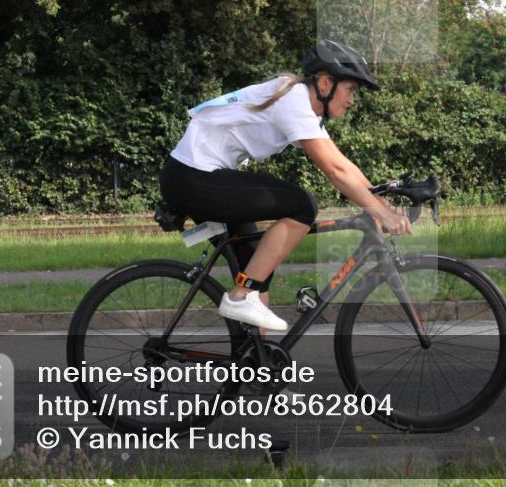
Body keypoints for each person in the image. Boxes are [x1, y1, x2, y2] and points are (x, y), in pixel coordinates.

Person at [159, 40, 412, 331]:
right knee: (302, 205)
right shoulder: (292, 101)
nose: (352, 100)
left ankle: (256, 361)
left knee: (256, 268)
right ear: (327, 83)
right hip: (194, 178)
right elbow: (335, 171)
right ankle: (241, 297)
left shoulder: (300, 104)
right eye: (351, 90)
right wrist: (383, 214)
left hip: (194, 177)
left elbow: (343, 164)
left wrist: (384, 204)